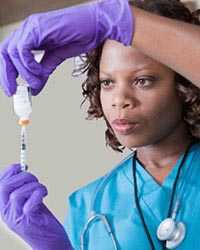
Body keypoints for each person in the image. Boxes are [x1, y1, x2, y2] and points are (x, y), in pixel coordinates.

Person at [0, 0, 200, 249]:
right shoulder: (86, 205)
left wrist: (113, 18)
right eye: (107, 82)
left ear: (185, 85)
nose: (119, 100)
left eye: (142, 80)